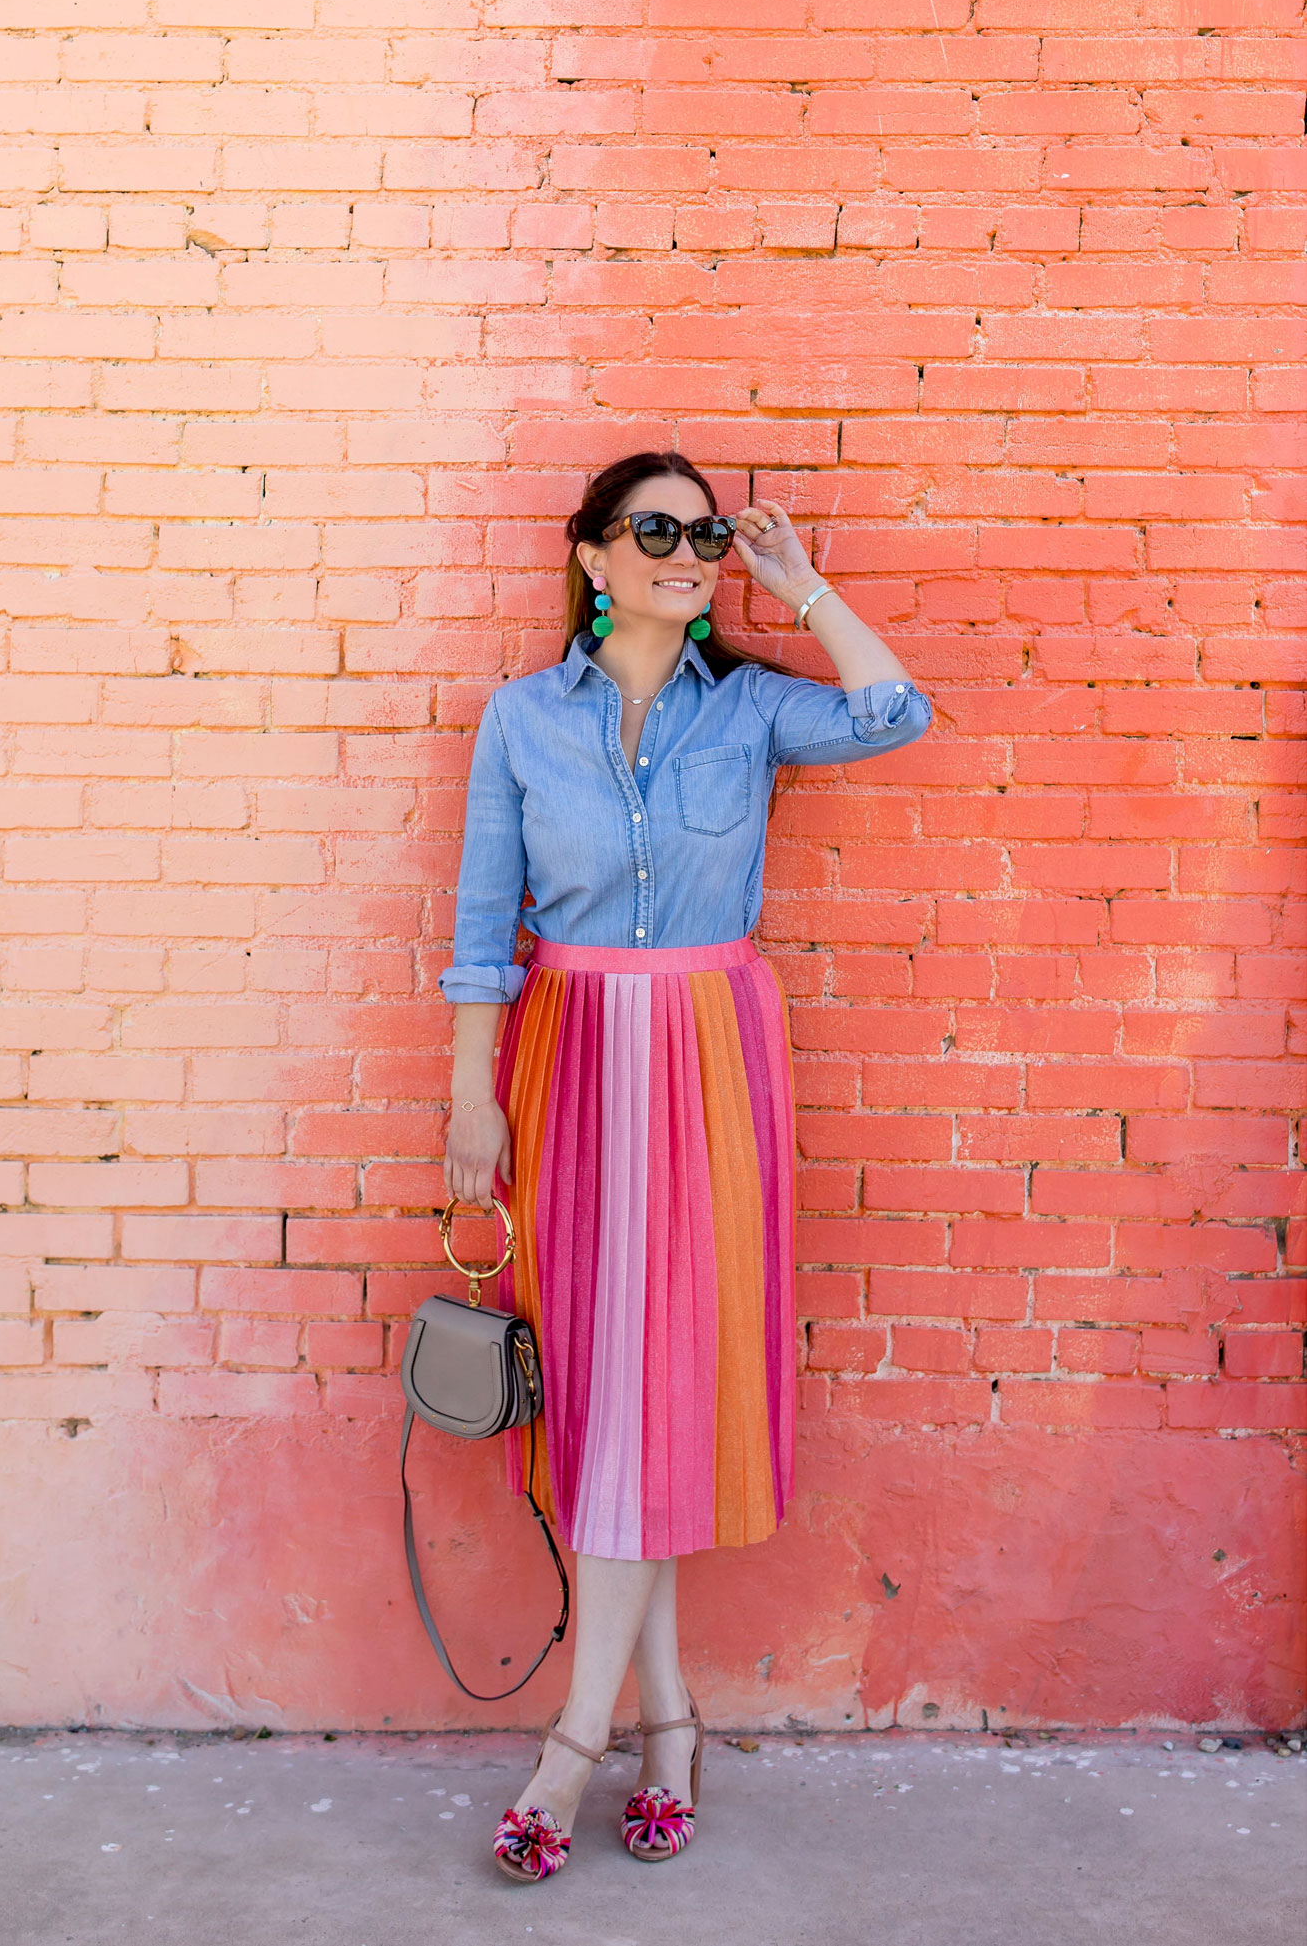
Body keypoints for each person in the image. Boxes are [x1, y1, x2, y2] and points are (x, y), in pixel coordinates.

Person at [437, 450, 932, 1883]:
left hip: (713, 1057)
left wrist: (800, 582)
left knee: (658, 1397)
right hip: (572, 1051)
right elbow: (484, 924)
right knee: (609, 1404)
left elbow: (895, 711)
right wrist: (473, 1095)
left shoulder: (754, 706)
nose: (685, 550)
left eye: (703, 532)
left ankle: (573, 1744)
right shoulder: (525, 720)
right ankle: (665, 1725)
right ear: (591, 557)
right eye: (654, 529)